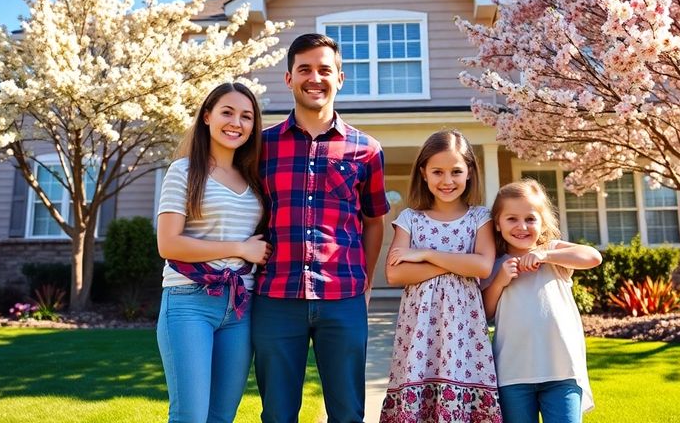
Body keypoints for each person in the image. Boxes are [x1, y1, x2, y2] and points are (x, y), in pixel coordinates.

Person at [253, 33, 390, 423]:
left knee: (347, 413)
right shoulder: (261, 148)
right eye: (305, 70)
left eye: (324, 69)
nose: (315, 78)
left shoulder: (367, 149)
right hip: (275, 296)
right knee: (277, 414)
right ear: (289, 78)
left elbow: (373, 221)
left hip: (342, 296)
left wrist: (364, 280)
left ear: (340, 78)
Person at [155, 82, 272, 423]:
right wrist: (239, 248)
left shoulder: (253, 179)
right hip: (188, 300)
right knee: (190, 415)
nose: (236, 122)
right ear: (207, 117)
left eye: (246, 116)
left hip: (240, 307)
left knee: (222, 416)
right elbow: (169, 244)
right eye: (227, 112)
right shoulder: (184, 171)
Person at [380, 130, 502, 422]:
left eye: (456, 171)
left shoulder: (480, 217)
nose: (447, 181)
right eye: (437, 172)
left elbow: (484, 266)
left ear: (469, 172)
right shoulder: (410, 218)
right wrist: (461, 263)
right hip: (420, 326)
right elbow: (395, 273)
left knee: (463, 386)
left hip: (464, 329)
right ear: (423, 173)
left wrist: (426, 254)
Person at [481, 180, 602, 423]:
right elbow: (486, 313)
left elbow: (593, 257)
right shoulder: (494, 264)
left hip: (561, 372)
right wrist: (499, 281)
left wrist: (545, 254)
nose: (522, 226)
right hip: (512, 375)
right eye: (512, 218)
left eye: (530, 219)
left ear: (542, 222)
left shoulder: (553, 255)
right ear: (497, 224)